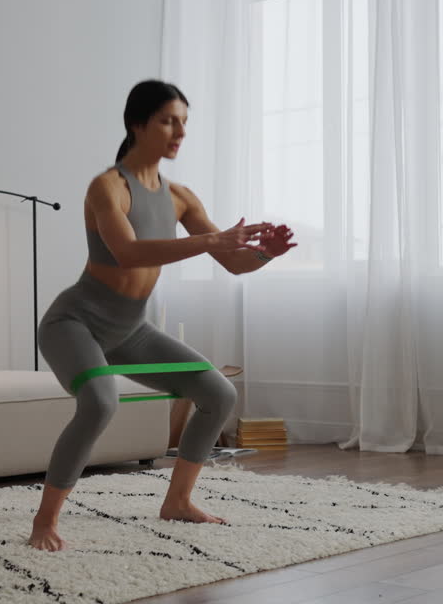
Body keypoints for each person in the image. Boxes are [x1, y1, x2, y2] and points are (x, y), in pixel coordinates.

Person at [28, 79, 297, 552]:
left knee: (218, 392)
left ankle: (178, 501)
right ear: (137, 124)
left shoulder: (181, 196)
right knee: (100, 403)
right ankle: (44, 521)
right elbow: (128, 253)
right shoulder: (107, 187)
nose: (180, 132)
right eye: (169, 121)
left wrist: (265, 253)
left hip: (130, 330)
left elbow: (234, 263)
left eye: (184, 122)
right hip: (74, 323)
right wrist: (210, 240)